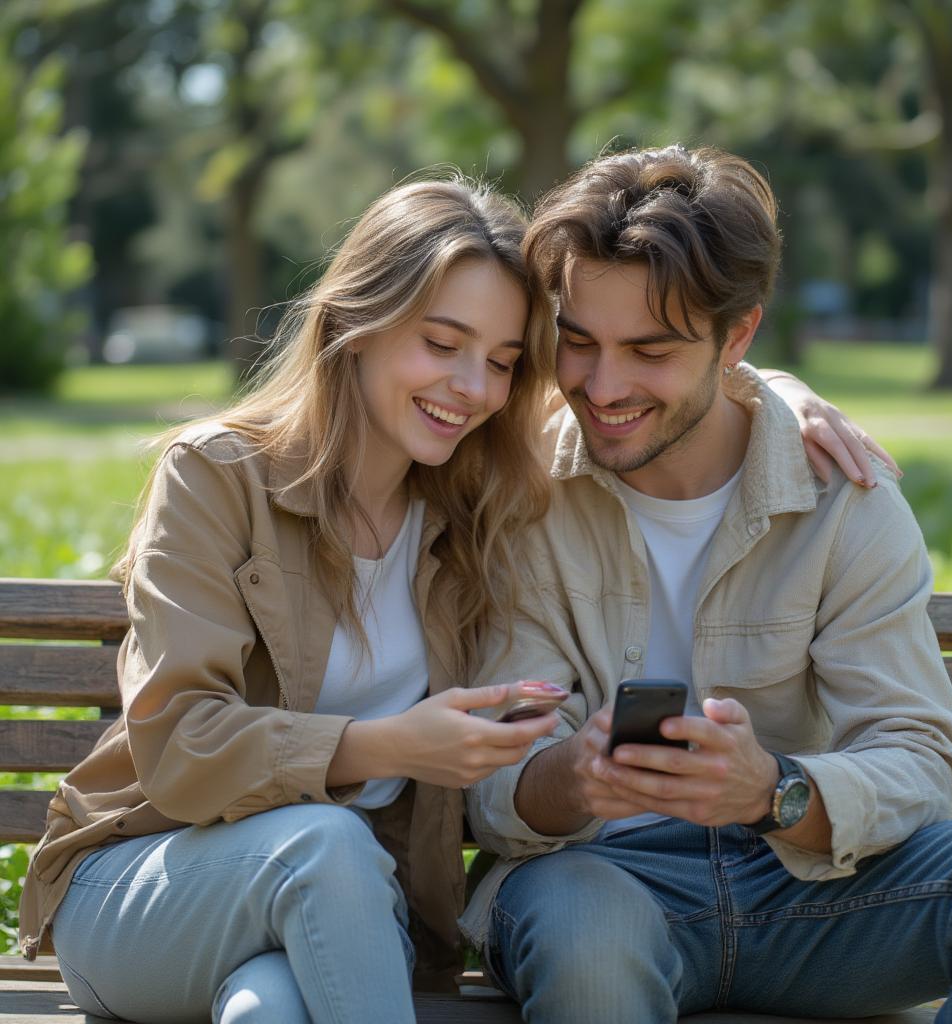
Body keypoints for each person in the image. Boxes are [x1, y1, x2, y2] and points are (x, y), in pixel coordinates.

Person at [18, 172, 876, 1024]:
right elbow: (177, 744)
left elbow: (653, 369)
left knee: (269, 1012)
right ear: (358, 323)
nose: (472, 386)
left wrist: (779, 393)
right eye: (442, 343)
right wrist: (388, 746)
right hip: (150, 883)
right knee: (330, 845)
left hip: (346, 917)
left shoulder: (476, 510)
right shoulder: (215, 477)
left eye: (503, 363)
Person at [463, 146, 952, 1023]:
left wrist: (773, 793)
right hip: (599, 881)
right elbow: (492, 793)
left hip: (815, 892)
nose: (602, 388)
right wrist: (574, 777)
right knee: (588, 940)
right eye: (579, 343)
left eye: (649, 350)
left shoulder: (846, 501)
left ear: (739, 336)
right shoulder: (521, 496)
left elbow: (925, 761)